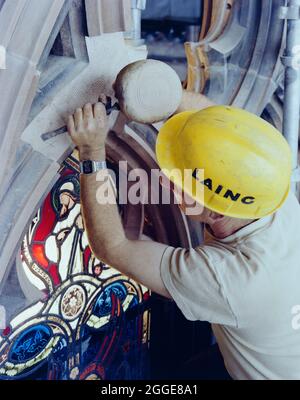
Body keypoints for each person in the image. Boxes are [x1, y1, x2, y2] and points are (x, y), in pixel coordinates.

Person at [67, 90, 300, 380]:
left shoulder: (230, 280)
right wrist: (136, 85)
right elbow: (217, 123)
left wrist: (91, 153)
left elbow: (114, 246)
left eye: (180, 182)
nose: (165, 179)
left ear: (215, 213)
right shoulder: (267, 185)